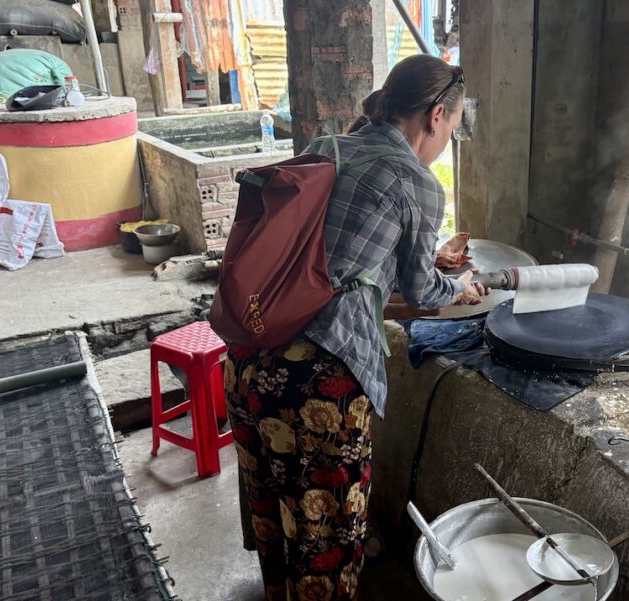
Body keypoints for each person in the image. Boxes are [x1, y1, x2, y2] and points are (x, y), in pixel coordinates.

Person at [224, 54, 486, 601]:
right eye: (453, 130)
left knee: (276, 522)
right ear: (436, 115)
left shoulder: (328, 146)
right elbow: (420, 293)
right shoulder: (415, 182)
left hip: (250, 357)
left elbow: (336, 253)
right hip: (319, 386)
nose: (446, 143)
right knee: (326, 540)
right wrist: (458, 287)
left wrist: (420, 254)